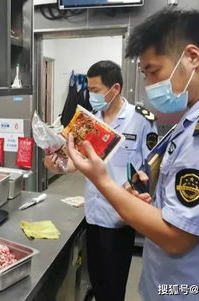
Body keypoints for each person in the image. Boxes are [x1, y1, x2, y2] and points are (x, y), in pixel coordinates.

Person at [65, 8, 199, 301]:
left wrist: (102, 180)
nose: (149, 86)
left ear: (192, 57)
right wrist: (153, 195)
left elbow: (176, 237)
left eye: (154, 71)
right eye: (146, 74)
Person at [45, 60, 158, 301]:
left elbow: (151, 167)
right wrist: (56, 165)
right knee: (96, 281)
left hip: (119, 218)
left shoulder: (140, 120)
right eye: (89, 89)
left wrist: (135, 185)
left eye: (95, 90)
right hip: (93, 215)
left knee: (114, 288)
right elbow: (75, 161)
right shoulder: (89, 121)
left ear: (114, 88)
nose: (91, 95)